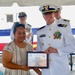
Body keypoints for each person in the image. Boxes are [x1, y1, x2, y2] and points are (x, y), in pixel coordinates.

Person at [36, 4, 75, 75]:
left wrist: (57, 50)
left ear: (54, 14)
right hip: (46, 70)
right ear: (43, 16)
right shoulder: (40, 31)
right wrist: (38, 63)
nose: (48, 16)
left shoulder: (63, 28)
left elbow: (73, 46)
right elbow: (39, 49)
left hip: (60, 68)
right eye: (45, 14)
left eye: (50, 13)